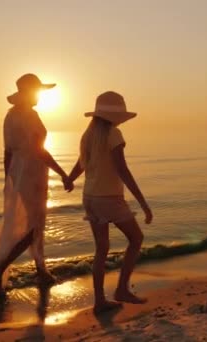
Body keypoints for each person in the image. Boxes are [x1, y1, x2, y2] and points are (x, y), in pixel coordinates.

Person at [0, 74, 73, 295]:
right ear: (29, 93)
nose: (39, 97)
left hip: (19, 172)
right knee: (33, 227)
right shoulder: (30, 116)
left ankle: (41, 271)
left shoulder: (10, 116)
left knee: (33, 224)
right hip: (32, 173)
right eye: (37, 92)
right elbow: (38, 150)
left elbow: (7, 152)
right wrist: (63, 173)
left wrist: (9, 179)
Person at [68, 91, 153, 314]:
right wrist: (143, 203)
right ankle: (122, 289)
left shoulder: (89, 134)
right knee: (136, 239)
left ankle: (99, 301)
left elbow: (81, 164)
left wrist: (69, 178)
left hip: (90, 198)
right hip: (109, 199)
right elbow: (122, 170)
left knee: (101, 249)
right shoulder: (114, 134)